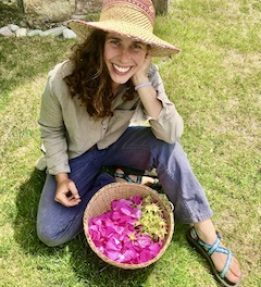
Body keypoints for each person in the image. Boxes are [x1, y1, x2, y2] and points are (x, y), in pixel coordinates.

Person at [36, 0, 241, 286]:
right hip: (76, 155)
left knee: (166, 147)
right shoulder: (62, 78)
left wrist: (142, 79)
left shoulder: (145, 75)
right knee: (51, 232)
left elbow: (170, 132)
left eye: (136, 46)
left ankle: (205, 234)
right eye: (115, 42)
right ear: (99, 42)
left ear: (147, 53)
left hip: (117, 142)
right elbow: (50, 129)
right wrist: (60, 176)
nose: (123, 56)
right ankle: (115, 182)